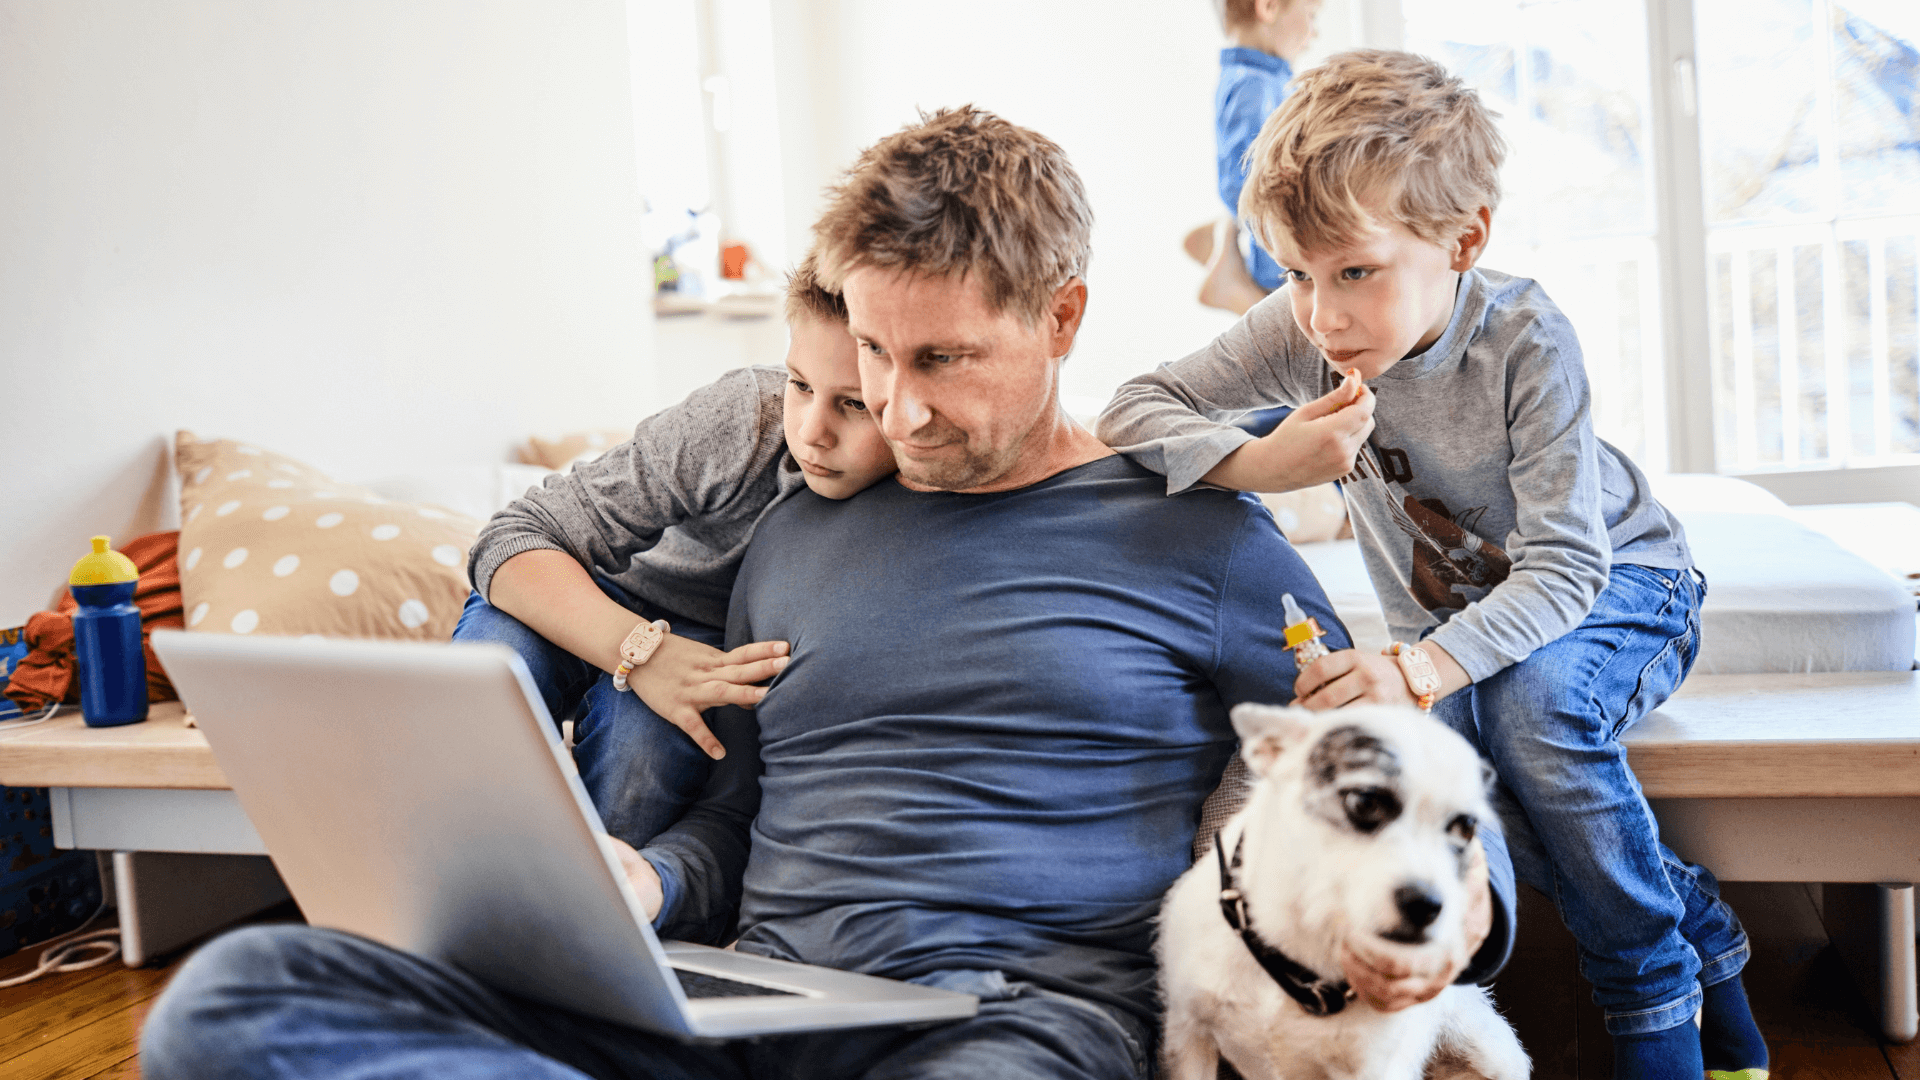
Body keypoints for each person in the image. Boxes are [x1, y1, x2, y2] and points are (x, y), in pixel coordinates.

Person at [140, 106, 1516, 1080]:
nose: (897, 411)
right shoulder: (798, 527)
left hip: (1015, 1020)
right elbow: (741, 809)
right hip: (747, 1008)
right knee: (243, 993)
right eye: (869, 350)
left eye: (945, 360)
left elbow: (1402, 767)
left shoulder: (1204, 542)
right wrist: (647, 880)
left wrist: (1464, 917)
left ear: (1062, 318)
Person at [1098, 50, 1767, 1080]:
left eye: (1354, 271)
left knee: (1536, 716)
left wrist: (1415, 671)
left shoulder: (1525, 342)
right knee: (1455, 776)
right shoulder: (1309, 329)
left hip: (1621, 584)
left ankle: (1651, 991)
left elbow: (1562, 568)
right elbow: (1133, 407)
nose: (1322, 314)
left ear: (1464, 241)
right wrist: (1271, 459)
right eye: (1296, 274)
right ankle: (1704, 931)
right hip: (1454, 634)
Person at [448, 254, 897, 851]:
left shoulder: (914, 495)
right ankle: (447, 882)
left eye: (856, 404)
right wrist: (642, 650)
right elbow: (512, 537)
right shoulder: (748, 417)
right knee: (490, 674)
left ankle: (593, 917)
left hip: (704, 644)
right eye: (801, 384)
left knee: (643, 752)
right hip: (588, 586)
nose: (812, 430)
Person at [1192, 0, 1323, 316]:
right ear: (1268, 7)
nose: (1315, 32)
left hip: (1268, 231)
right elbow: (1242, 175)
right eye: (1311, 16)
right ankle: (1232, 278)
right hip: (1276, 244)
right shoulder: (1254, 84)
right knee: (1292, 325)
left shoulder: (1257, 77)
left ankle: (1225, 243)